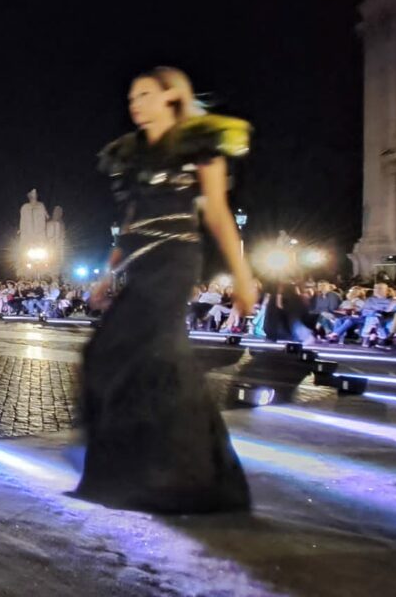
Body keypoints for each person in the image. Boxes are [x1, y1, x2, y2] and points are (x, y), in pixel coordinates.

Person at [80, 67, 256, 513]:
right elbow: (129, 225)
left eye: (144, 94)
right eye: (131, 96)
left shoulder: (200, 142)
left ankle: (183, 474)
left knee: (160, 353)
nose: (134, 103)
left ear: (170, 98)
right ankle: (134, 465)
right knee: (104, 354)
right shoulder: (131, 154)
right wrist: (106, 274)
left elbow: (217, 213)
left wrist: (242, 276)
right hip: (140, 264)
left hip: (177, 259)